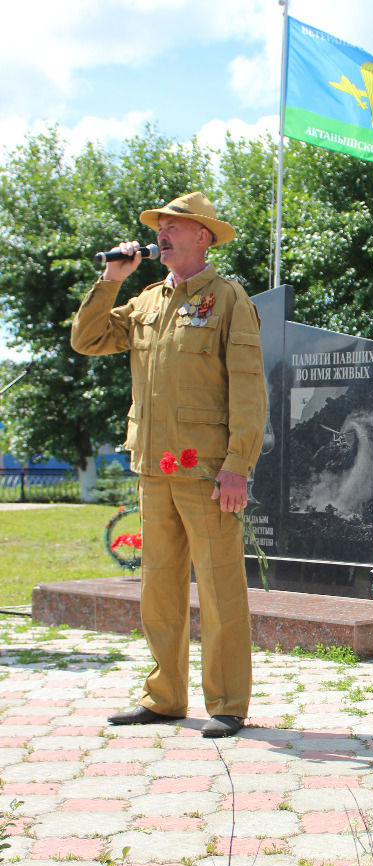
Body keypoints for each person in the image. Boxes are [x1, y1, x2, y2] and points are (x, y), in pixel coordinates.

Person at [71, 192, 267, 738]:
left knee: (221, 585)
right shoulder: (147, 301)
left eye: (174, 226)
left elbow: (250, 389)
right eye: (160, 226)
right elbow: (86, 339)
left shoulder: (228, 298)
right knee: (158, 586)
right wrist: (112, 278)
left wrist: (238, 464)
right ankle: (164, 697)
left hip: (207, 470)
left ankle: (227, 702)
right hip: (154, 467)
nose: (163, 234)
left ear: (203, 236)